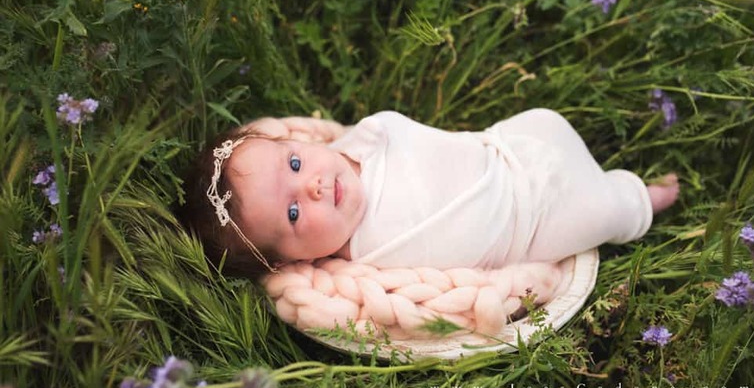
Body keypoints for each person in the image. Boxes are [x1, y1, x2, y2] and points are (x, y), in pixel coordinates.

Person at [181, 109, 679, 277]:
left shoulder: (353, 148)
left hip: (500, 155)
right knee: (600, 211)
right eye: (292, 213)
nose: (311, 185)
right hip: (526, 222)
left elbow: (416, 140)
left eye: (294, 162)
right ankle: (641, 199)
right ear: (290, 261)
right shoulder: (362, 263)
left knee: (544, 124)